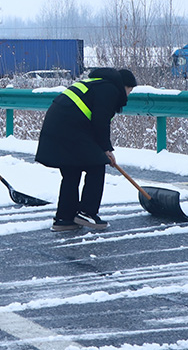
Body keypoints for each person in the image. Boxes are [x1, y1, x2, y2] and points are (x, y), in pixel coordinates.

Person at [35, 67, 137, 232]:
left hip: (58, 125)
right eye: (129, 90)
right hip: (70, 127)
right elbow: (100, 121)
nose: (128, 94)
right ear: (123, 85)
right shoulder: (109, 89)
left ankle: (64, 218)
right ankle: (87, 212)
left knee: (71, 171)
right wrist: (106, 150)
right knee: (96, 166)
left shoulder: (95, 84)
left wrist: (102, 148)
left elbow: (90, 118)